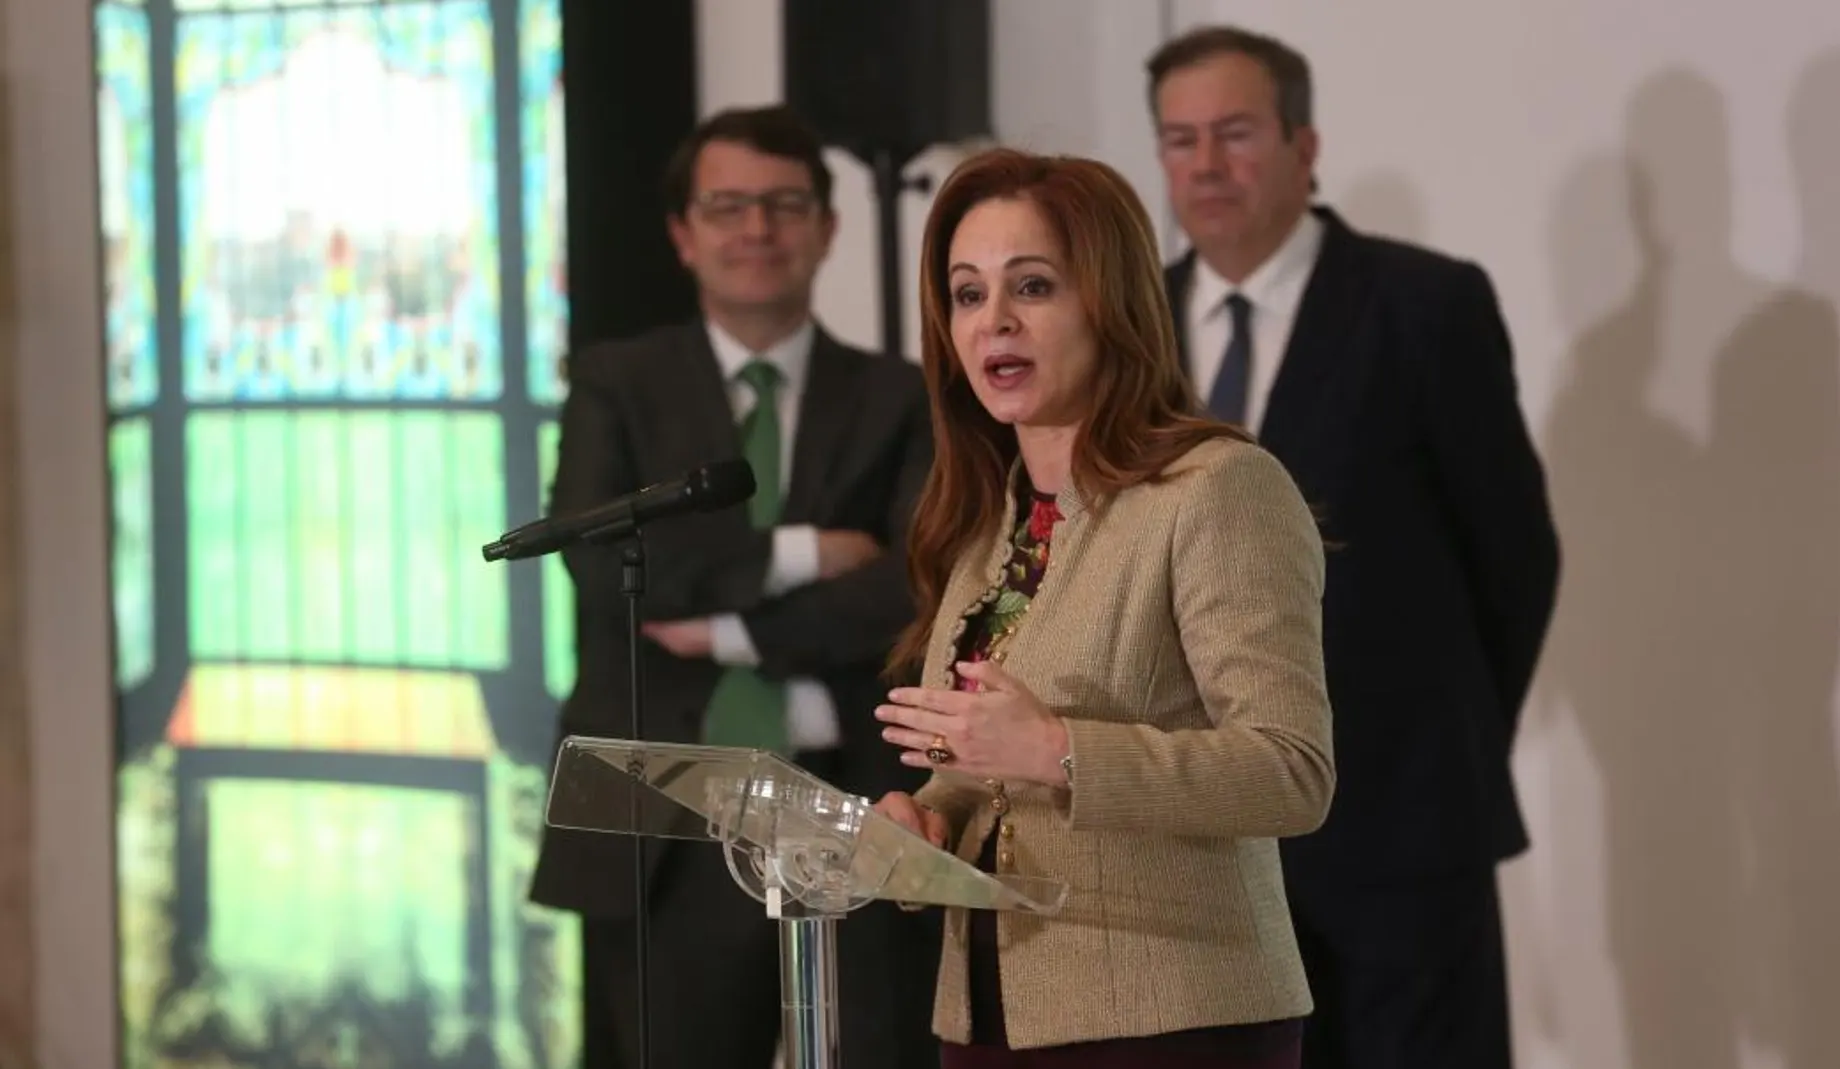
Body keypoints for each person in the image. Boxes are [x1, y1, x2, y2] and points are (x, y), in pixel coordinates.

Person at [1144, 25, 1563, 1069]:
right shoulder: (1126, 325)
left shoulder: (1426, 305)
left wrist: (1445, 736)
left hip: (1405, 827)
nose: (1205, 165)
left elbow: (1514, 558)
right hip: (1196, 844)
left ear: (1303, 144)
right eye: (1179, 139)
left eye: (1234, 133)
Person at [871, 146, 1334, 1068]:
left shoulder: (1216, 488)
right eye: (967, 294)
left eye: (1032, 286)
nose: (993, 321)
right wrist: (922, 823)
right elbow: (986, 773)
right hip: (988, 1016)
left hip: (1174, 1016)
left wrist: (1059, 750)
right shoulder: (984, 521)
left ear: (1108, 301)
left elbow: (1292, 770)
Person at [527, 104, 940, 1069]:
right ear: (683, 232)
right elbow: (603, 562)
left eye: (785, 204)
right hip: (668, 829)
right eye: (727, 206)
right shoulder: (615, 384)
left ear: (828, 228)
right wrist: (801, 552)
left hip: (860, 813)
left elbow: (918, 581)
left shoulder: (903, 394)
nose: (757, 230)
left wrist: (729, 634)